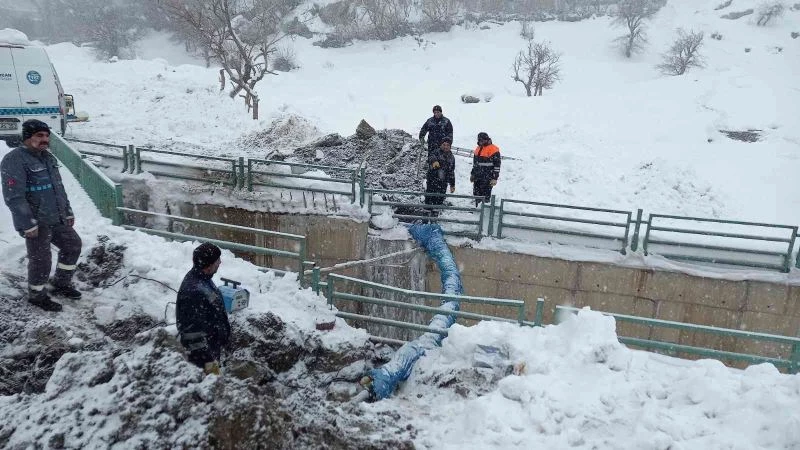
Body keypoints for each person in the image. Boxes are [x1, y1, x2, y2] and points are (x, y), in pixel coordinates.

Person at [1, 119, 82, 312]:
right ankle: (37, 295)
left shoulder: (48, 157)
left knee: (73, 245)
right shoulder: (14, 160)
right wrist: (27, 223)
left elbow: (58, 189)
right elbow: (14, 196)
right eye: (39, 135)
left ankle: (61, 283)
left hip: (57, 217)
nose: (45, 139)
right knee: (41, 259)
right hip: (37, 221)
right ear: (28, 138)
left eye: (46, 135)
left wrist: (68, 211)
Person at [176, 243, 231, 375]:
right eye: (217, 260)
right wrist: (210, 365)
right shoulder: (194, 291)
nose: (220, 262)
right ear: (209, 265)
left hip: (211, 348)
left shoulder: (202, 278)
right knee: (210, 386)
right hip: (203, 357)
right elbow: (193, 335)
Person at [424, 137, 456, 214]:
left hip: (443, 184)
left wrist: (452, 184)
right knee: (428, 201)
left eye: (448, 145)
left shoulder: (452, 158)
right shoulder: (436, 152)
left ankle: (434, 221)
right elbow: (430, 157)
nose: (445, 146)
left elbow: (451, 172)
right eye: (444, 144)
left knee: (438, 203)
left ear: (450, 146)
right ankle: (424, 220)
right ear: (441, 145)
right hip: (432, 182)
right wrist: (434, 161)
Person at [470, 132, 501, 206]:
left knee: (485, 195)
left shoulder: (494, 149)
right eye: (480, 140)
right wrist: (473, 174)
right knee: (476, 194)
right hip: (478, 177)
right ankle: (477, 209)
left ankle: (484, 211)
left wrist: (495, 178)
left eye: (483, 140)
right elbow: (475, 164)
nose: (481, 141)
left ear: (487, 139)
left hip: (488, 177)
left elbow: (497, 165)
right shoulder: (478, 148)